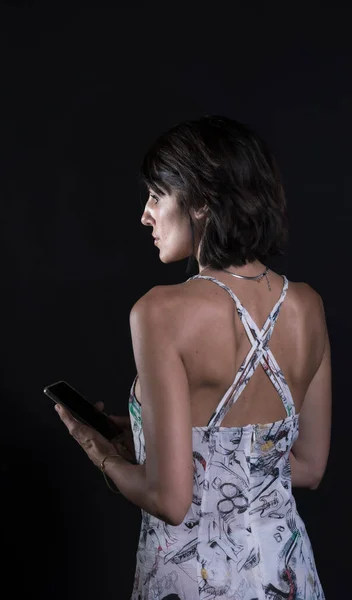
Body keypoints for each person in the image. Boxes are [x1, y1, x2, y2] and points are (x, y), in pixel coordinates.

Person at [55, 115, 331, 599]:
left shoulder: (161, 311)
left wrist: (103, 455)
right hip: (289, 575)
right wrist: (145, 435)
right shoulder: (307, 305)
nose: (145, 214)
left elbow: (170, 499)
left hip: (196, 580)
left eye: (157, 195)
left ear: (202, 202)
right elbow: (307, 466)